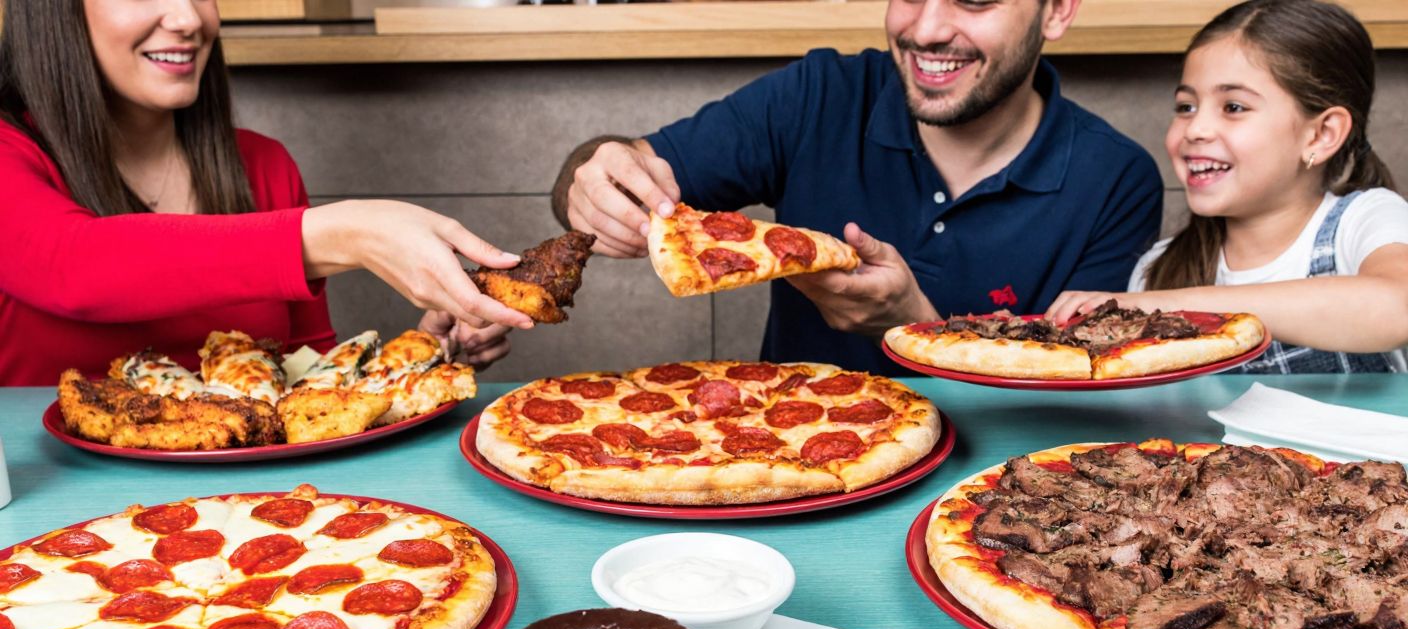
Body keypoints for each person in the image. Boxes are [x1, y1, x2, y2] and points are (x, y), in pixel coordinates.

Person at [553, 0, 1162, 374]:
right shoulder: (817, 94)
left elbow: (1069, 408)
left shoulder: (1117, 180)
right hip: (782, 453)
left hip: (993, 500)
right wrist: (594, 181)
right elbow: (611, 171)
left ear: (1057, 10)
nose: (927, 29)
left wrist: (914, 326)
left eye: (975, 0)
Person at [0, 0, 530, 386]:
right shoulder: (10, 152)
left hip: (259, 501)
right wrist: (342, 234)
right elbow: (71, 265)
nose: (188, 19)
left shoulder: (264, 165)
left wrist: (419, 357)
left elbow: (303, 381)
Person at [1046, 0, 1408, 373]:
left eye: (1233, 107)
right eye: (1186, 107)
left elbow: (1397, 308)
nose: (1196, 129)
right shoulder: (1157, 271)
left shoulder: (1364, 219)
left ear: (1321, 135)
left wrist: (1170, 305)